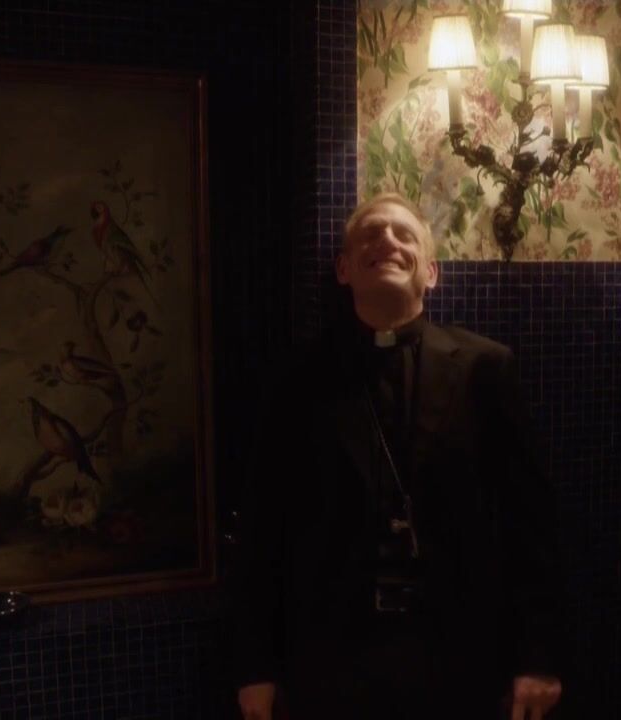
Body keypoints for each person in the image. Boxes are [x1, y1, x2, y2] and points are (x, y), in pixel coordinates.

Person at [230, 192, 566, 719]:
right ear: (343, 270)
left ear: (431, 272)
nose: (386, 240)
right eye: (370, 234)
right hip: (329, 665)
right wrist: (256, 667)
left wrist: (538, 658)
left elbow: (532, 526)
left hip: (460, 659)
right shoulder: (296, 381)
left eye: (403, 234)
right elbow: (262, 530)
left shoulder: (486, 370)